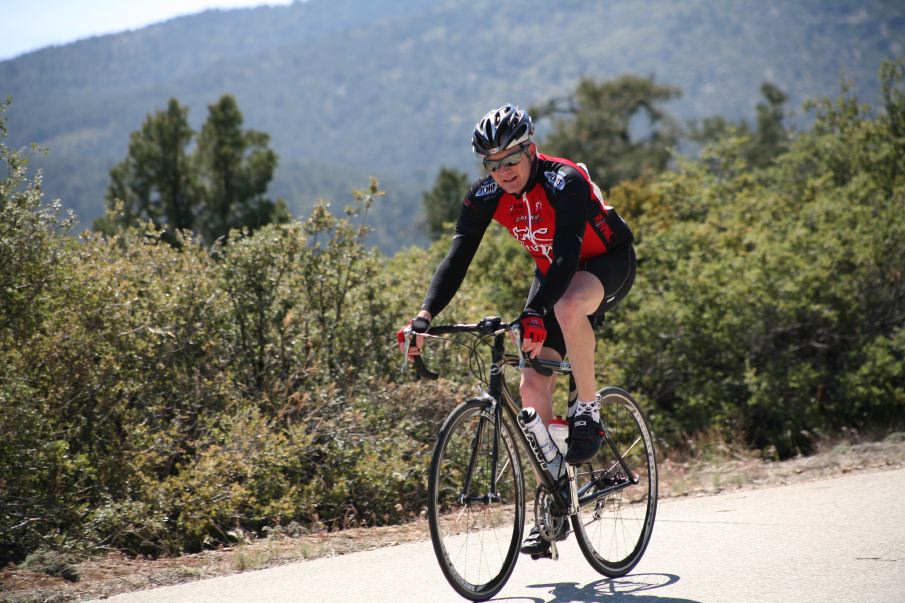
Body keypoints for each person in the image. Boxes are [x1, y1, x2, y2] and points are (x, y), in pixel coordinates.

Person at [398, 103, 636, 557]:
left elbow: (567, 254)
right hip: (553, 275)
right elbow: (457, 260)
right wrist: (424, 317)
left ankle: (589, 408)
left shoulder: (564, 179)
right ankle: (556, 499)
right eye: (492, 163)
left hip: (605, 261)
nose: (502, 171)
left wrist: (535, 309)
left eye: (511, 159)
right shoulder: (485, 195)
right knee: (530, 381)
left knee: (566, 308)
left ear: (531, 150)